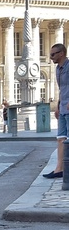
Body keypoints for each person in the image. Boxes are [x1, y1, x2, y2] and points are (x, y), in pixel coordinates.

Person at [43, 43, 69, 179]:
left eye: (53, 54)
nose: (51, 57)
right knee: (60, 138)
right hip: (63, 107)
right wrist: (58, 105)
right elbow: (62, 89)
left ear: (61, 54)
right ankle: (59, 169)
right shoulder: (58, 69)